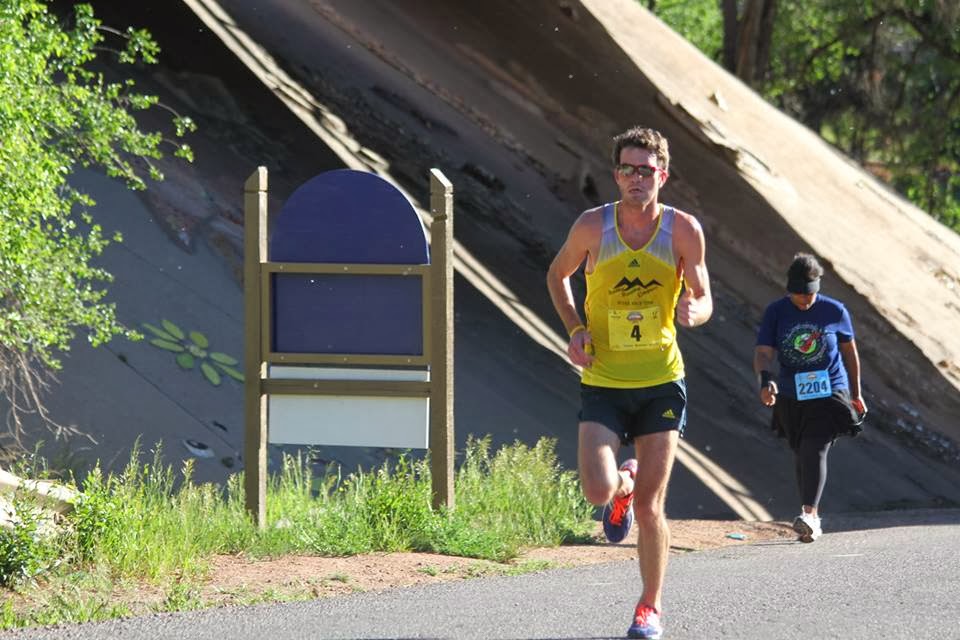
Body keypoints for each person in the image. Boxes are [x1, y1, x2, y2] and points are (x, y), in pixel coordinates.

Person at [547, 126, 712, 640]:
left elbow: (705, 296)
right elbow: (557, 276)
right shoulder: (593, 227)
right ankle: (622, 482)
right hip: (604, 380)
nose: (636, 178)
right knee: (596, 489)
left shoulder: (683, 231)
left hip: (663, 380)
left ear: (662, 175)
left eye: (646, 170)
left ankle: (649, 607)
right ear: (616, 174)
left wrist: (695, 310)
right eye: (627, 169)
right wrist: (575, 329)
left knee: (650, 507)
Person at [753, 252, 867, 543]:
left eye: (809, 296)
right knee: (801, 450)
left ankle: (808, 513)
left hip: (830, 391)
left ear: (818, 288)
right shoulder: (776, 312)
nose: (804, 301)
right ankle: (813, 519)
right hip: (792, 394)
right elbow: (764, 353)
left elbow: (850, 354)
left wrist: (856, 393)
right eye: (798, 296)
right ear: (788, 290)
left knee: (815, 446)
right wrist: (766, 380)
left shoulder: (835, 311)